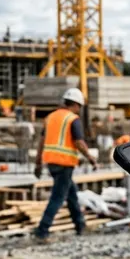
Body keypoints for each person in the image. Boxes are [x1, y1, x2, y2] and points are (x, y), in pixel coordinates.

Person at [33, 87, 97, 241]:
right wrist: (90, 158)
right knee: (57, 198)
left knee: (71, 194)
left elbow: (41, 142)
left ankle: (80, 225)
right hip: (64, 163)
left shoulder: (50, 117)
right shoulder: (72, 119)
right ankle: (42, 230)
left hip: (51, 163)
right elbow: (79, 143)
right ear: (76, 105)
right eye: (80, 107)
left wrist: (38, 163)